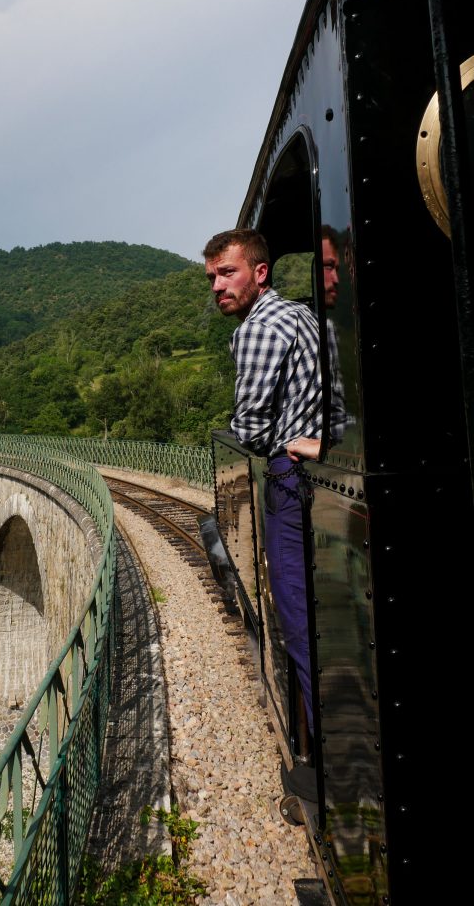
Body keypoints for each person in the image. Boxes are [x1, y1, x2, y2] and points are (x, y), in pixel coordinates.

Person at [203, 228, 321, 738]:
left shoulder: (258, 328)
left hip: (290, 479)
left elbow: (249, 429)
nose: (216, 287)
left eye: (227, 273)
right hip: (314, 473)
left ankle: (321, 750)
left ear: (259, 272)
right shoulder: (301, 315)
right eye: (211, 277)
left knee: (296, 615)